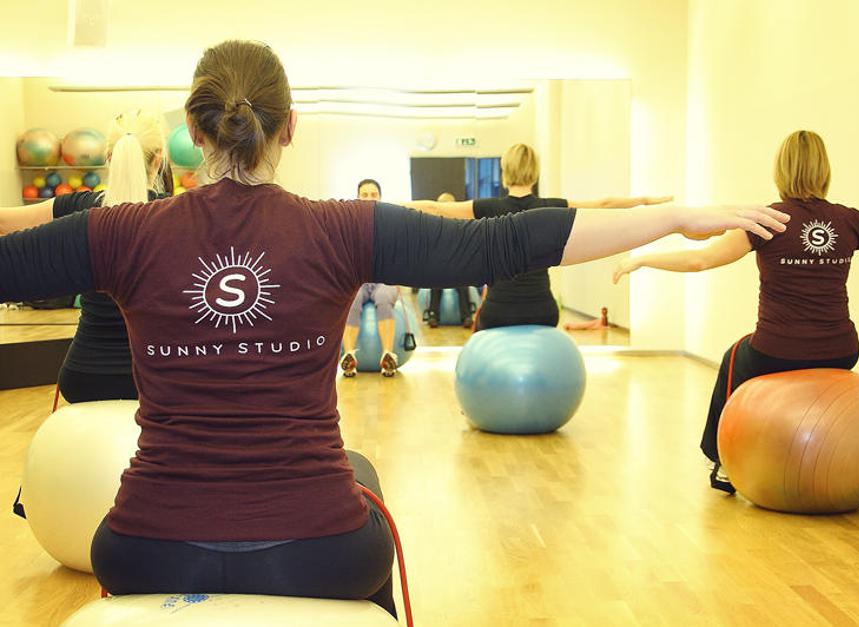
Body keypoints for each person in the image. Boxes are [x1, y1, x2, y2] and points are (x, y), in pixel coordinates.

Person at [0, 40, 788, 617]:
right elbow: (509, 240)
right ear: (290, 126)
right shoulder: (342, 227)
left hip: (144, 546)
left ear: (195, 132)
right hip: (317, 551)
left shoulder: (121, 231)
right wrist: (673, 216)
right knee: (362, 476)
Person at [612, 130, 859, 494]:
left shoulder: (767, 220)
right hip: (841, 350)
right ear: (825, 171)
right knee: (748, 351)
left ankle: (722, 463)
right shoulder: (852, 221)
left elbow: (700, 260)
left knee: (734, 357)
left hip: (777, 350)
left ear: (780, 171)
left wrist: (642, 259)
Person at [406, 143, 673, 330]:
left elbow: (435, 208)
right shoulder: (551, 206)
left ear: (505, 172)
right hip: (542, 310)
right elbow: (603, 204)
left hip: (499, 311)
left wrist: (385, 208)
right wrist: (645, 201)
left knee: (478, 333)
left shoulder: (488, 207)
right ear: (535, 172)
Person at [0, 109, 169, 403]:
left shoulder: (78, 207)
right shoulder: (177, 214)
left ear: (108, 157)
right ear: (158, 160)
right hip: (155, 379)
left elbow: (3, 222)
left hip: (85, 375)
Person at [340, 178, 401, 378]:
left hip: (384, 280)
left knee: (383, 298)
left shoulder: (391, 224)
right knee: (352, 299)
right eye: (364, 195)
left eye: (373, 195)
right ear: (357, 197)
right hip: (360, 281)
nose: (369, 198)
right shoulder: (349, 225)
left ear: (380, 198)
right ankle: (349, 355)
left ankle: (388, 355)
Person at [425, 192, 475, 328]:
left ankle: (467, 317)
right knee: (435, 283)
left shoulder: (461, 226)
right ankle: (433, 315)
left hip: (457, 268)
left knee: (463, 285)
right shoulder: (433, 227)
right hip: (440, 268)